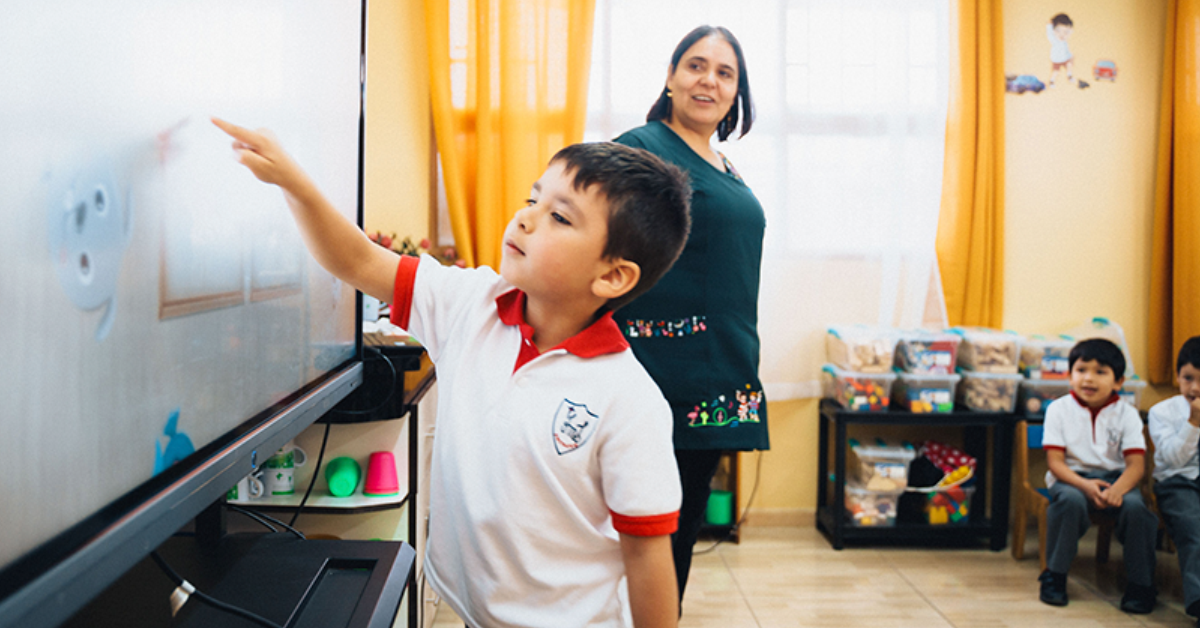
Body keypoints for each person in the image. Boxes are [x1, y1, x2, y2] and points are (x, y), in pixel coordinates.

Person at [212, 118, 692, 628]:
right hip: (478, 615)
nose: (526, 219)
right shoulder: (470, 305)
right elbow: (355, 260)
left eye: (560, 217)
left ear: (613, 275)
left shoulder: (628, 399)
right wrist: (294, 182)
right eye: (533, 200)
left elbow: (647, 559)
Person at [612, 25, 768, 603]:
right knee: (646, 534)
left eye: (725, 73)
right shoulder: (644, 147)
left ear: (737, 93)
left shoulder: (724, 164)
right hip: (658, 373)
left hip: (717, 372)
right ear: (671, 78)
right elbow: (601, 241)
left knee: (680, 529)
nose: (709, 80)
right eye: (696, 66)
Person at [1038, 338, 1158, 613]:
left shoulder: (1127, 414)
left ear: (1118, 382)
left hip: (1117, 479)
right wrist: (1085, 485)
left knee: (1138, 509)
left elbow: (1136, 466)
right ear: (1069, 376)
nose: (1088, 378)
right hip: (1071, 478)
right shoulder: (1058, 409)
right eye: (1081, 370)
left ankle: (1142, 585)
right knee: (1069, 502)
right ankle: (1054, 576)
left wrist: (1117, 490)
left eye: (1100, 372)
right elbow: (1055, 463)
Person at [1149, 335, 1200, 624]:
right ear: (1177, 376)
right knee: (1194, 529)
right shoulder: (1162, 412)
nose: (1194, 387)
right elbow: (1173, 459)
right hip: (1176, 483)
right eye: (1188, 378)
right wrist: (1193, 423)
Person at [1047, 13, 1076, 87]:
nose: (1062, 35)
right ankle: (1052, 81)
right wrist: (1049, 25)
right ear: (1054, 30)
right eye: (1058, 31)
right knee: (1056, 71)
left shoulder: (1064, 42)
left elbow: (1066, 50)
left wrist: (1070, 56)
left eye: (1066, 32)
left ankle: (1069, 76)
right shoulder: (1054, 40)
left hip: (1065, 57)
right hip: (1057, 59)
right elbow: (1049, 34)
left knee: (1069, 65)